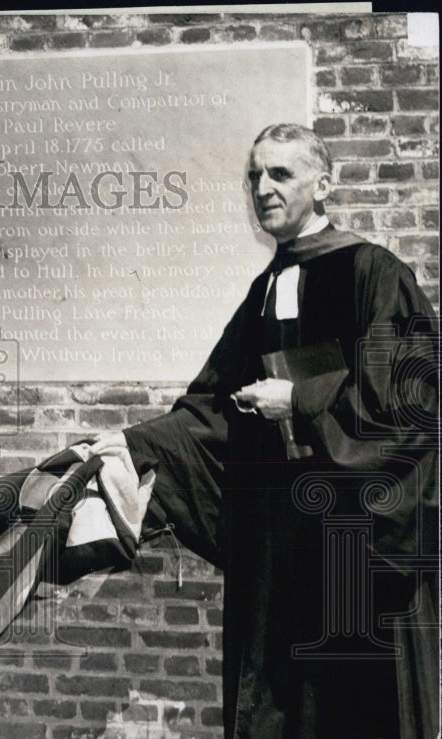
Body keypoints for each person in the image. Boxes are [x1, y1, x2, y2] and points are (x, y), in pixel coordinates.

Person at [97, 123, 439, 738]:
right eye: (254, 175)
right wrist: (136, 443)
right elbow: (213, 409)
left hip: (354, 545)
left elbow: (409, 407)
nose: (262, 188)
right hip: (280, 549)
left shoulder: (373, 273)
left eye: (280, 174)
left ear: (323, 185)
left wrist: (300, 400)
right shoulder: (265, 289)